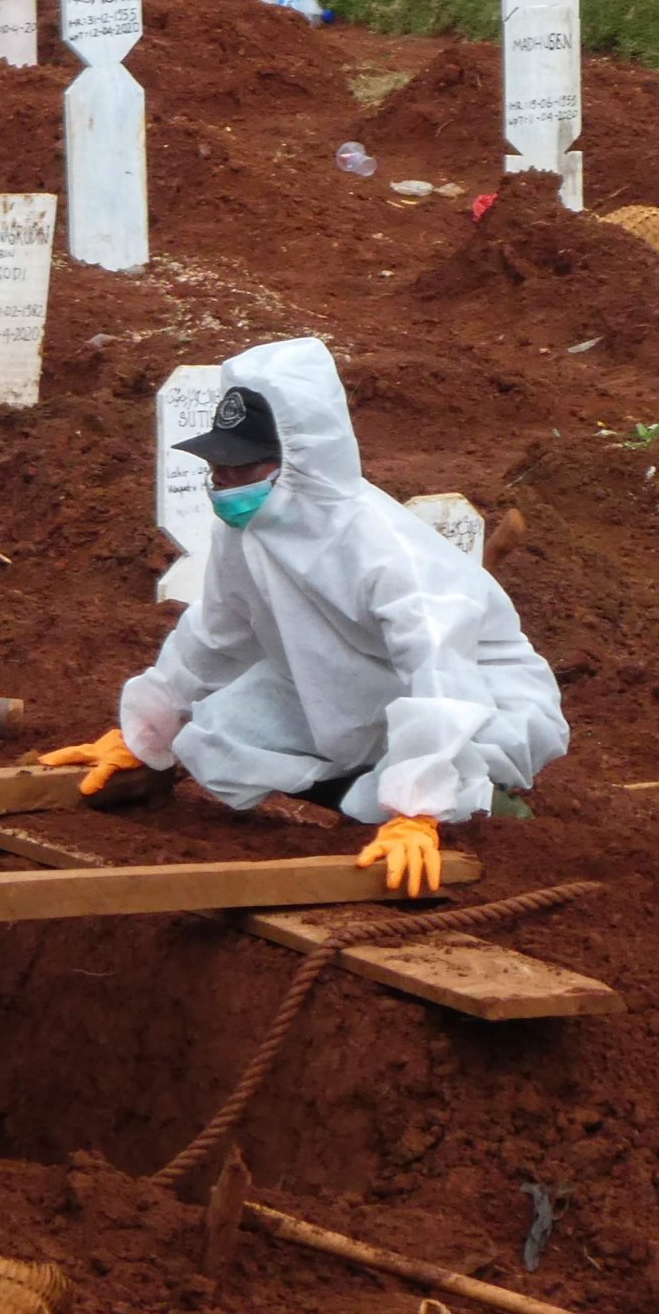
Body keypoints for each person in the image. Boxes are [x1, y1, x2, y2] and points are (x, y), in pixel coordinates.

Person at [42, 336, 569, 897]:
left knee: (450, 774)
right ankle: (359, 788)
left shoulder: (388, 552)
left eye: (239, 468)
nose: (222, 485)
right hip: (351, 679)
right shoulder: (250, 529)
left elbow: (440, 679)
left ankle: (489, 811)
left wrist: (418, 807)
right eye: (217, 469)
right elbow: (216, 634)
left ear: (296, 460)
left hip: (474, 697)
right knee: (224, 732)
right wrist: (145, 734)